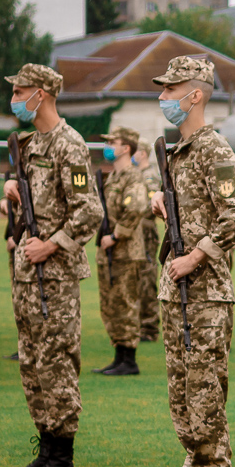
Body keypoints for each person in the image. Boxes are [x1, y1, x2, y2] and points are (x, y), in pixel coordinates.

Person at [150, 56, 235, 467]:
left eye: (171, 89)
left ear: (195, 94)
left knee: (205, 395)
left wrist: (198, 254)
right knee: (182, 395)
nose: (163, 97)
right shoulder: (179, 151)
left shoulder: (214, 149)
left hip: (207, 295)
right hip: (179, 294)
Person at [1, 65, 102, 467]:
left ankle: (62, 455)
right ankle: (45, 448)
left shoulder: (69, 144)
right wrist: (14, 194)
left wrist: (52, 244)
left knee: (55, 362)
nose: (15, 98)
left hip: (55, 275)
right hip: (27, 273)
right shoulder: (29, 144)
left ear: (41, 94)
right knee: (31, 363)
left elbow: (89, 211)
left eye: (21, 91)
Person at [91, 126, 150, 376]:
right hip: (109, 253)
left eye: (113, 142)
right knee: (110, 305)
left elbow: (137, 207)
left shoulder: (132, 177)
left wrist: (116, 235)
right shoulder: (113, 176)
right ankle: (118, 355)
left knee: (125, 304)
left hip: (126, 252)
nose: (108, 146)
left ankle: (129, 360)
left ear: (126, 148)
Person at [136, 145, 162, 343]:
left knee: (147, 277)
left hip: (145, 233)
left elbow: (152, 202)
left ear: (143, 153)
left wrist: (135, 212)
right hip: (135, 233)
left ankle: (150, 324)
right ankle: (140, 322)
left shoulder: (149, 174)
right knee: (137, 278)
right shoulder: (137, 173)